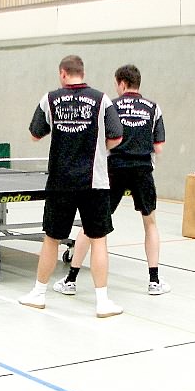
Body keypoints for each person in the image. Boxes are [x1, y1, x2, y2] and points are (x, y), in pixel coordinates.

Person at [18, 55, 124, 318]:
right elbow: (117, 136)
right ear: (82, 73)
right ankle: (102, 302)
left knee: (52, 239)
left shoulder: (50, 99)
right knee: (98, 240)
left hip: (60, 181)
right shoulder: (102, 99)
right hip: (95, 182)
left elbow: (34, 134)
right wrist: (97, 146)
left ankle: (38, 294)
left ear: (63, 73)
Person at [53, 64, 171, 296]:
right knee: (150, 223)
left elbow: (103, 139)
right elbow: (159, 147)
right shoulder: (153, 108)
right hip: (142, 170)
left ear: (122, 84)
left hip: (113, 169)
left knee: (91, 225)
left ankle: (71, 279)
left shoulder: (110, 105)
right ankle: (154, 281)